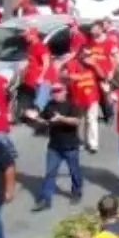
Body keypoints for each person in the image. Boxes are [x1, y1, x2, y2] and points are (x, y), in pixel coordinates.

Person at [32, 83, 83, 212]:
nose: (56, 94)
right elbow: (44, 120)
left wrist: (61, 118)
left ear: (65, 91)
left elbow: (77, 121)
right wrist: (35, 118)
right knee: (50, 173)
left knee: (74, 171)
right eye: (53, 91)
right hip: (54, 146)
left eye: (58, 91)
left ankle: (76, 192)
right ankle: (45, 199)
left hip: (70, 146)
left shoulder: (72, 105)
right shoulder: (49, 105)